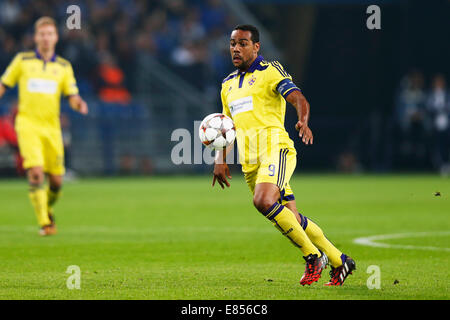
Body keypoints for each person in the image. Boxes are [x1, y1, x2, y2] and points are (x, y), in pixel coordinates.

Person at [212, 25, 355, 286]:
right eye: (232, 43)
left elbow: (299, 98)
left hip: (276, 150)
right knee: (291, 218)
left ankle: (313, 256)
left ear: (256, 47)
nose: (235, 48)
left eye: (242, 43)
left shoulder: (270, 71)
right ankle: (339, 259)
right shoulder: (227, 85)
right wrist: (220, 159)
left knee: (263, 201)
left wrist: (303, 120)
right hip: (250, 163)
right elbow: (225, 126)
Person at [0, 17, 88, 236]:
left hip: (52, 128)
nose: (46, 38)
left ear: (56, 37)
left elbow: (72, 94)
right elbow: (4, 84)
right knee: (36, 173)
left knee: (56, 182)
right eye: (42, 34)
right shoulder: (23, 61)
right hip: (28, 124)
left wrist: (79, 104)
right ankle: (45, 223)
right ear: (36, 37)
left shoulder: (63, 67)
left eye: (50, 34)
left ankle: (45, 207)